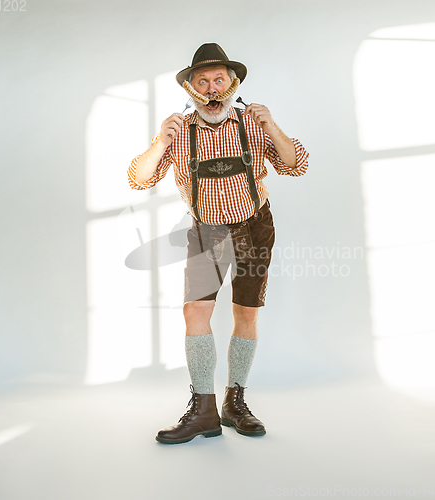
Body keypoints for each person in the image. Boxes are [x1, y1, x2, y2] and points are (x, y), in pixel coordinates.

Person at [128, 43, 309, 444]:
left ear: (233, 83)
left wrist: (273, 125)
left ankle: (235, 401)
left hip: (255, 226)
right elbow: (138, 179)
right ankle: (204, 409)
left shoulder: (252, 124)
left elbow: (296, 165)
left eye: (219, 80)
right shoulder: (180, 132)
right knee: (195, 311)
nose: (212, 89)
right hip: (207, 231)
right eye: (202, 82)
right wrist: (160, 141)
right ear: (191, 89)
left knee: (246, 314)